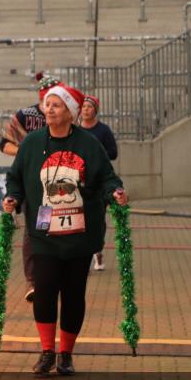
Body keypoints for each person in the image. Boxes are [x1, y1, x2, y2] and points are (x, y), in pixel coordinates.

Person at [3, 81, 128, 377]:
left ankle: (66, 354)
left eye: (56, 105)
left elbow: (107, 177)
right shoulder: (32, 143)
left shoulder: (89, 144)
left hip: (79, 234)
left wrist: (116, 193)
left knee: (73, 294)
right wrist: (13, 197)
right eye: (47, 104)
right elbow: (15, 177)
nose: (49, 110)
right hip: (44, 232)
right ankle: (47, 351)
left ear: (70, 113)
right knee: (44, 291)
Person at [0, 72, 56, 302]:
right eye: (48, 100)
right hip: (34, 186)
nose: (51, 107)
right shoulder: (25, 116)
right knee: (38, 228)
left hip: (60, 185)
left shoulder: (66, 117)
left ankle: (50, 276)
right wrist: (27, 153)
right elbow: (4, 144)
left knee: (52, 230)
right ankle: (34, 280)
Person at [79, 94, 119, 271]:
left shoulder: (103, 130)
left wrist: (96, 155)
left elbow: (113, 153)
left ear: (95, 110)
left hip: (99, 181)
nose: (86, 110)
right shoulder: (75, 130)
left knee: (97, 219)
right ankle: (83, 256)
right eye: (83, 107)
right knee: (80, 218)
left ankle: (98, 250)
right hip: (79, 181)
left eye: (89, 107)